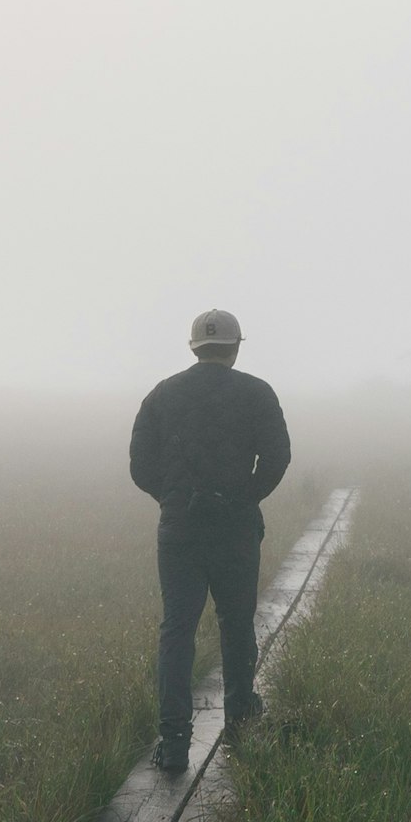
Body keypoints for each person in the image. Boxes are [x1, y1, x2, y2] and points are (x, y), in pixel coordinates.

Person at [126, 308, 293, 768]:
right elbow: (278, 458)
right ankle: (239, 723)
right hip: (236, 530)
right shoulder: (257, 393)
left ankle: (175, 743)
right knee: (237, 625)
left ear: (194, 348)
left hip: (179, 530)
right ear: (236, 347)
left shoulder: (162, 395)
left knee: (177, 630)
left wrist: (175, 499)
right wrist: (244, 499)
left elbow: (140, 465)